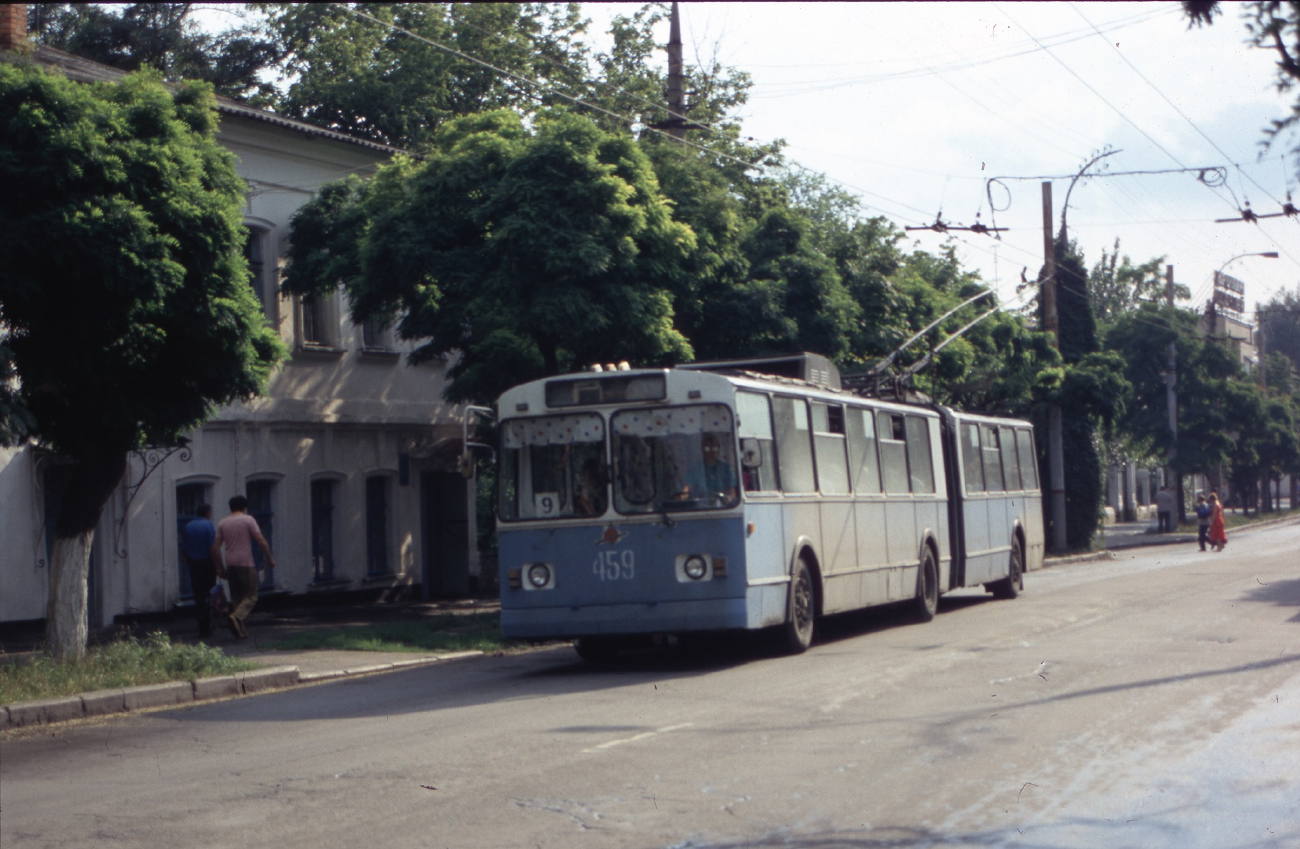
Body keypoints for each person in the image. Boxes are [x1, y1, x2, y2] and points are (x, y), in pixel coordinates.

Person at [211, 494, 274, 639]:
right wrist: (270, 558)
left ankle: (240, 630)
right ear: (244, 507)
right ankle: (236, 617)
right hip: (246, 563)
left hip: (231, 563)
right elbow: (261, 540)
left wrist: (220, 568)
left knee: (237, 598)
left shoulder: (223, 523)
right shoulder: (248, 520)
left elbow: (215, 548)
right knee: (251, 595)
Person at [181, 504, 217, 637]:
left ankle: (201, 626)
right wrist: (218, 565)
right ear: (208, 512)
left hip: (193, 564)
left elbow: (184, 548)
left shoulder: (188, 526)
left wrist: (189, 562)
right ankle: (208, 626)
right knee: (209, 594)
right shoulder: (208, 525)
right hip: (207, 563)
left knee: (198, 595)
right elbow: (213, 547)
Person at [681, 433, 738, 504]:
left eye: (714, 448)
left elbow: (732, 493)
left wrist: (728, 499)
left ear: (718, 450)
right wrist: (682, 497)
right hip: (700, 508)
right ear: (702, 450)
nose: (711, 452)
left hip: (723, 508)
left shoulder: (726, 468)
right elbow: (686, 490)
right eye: (707, 448)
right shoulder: (695, 469)